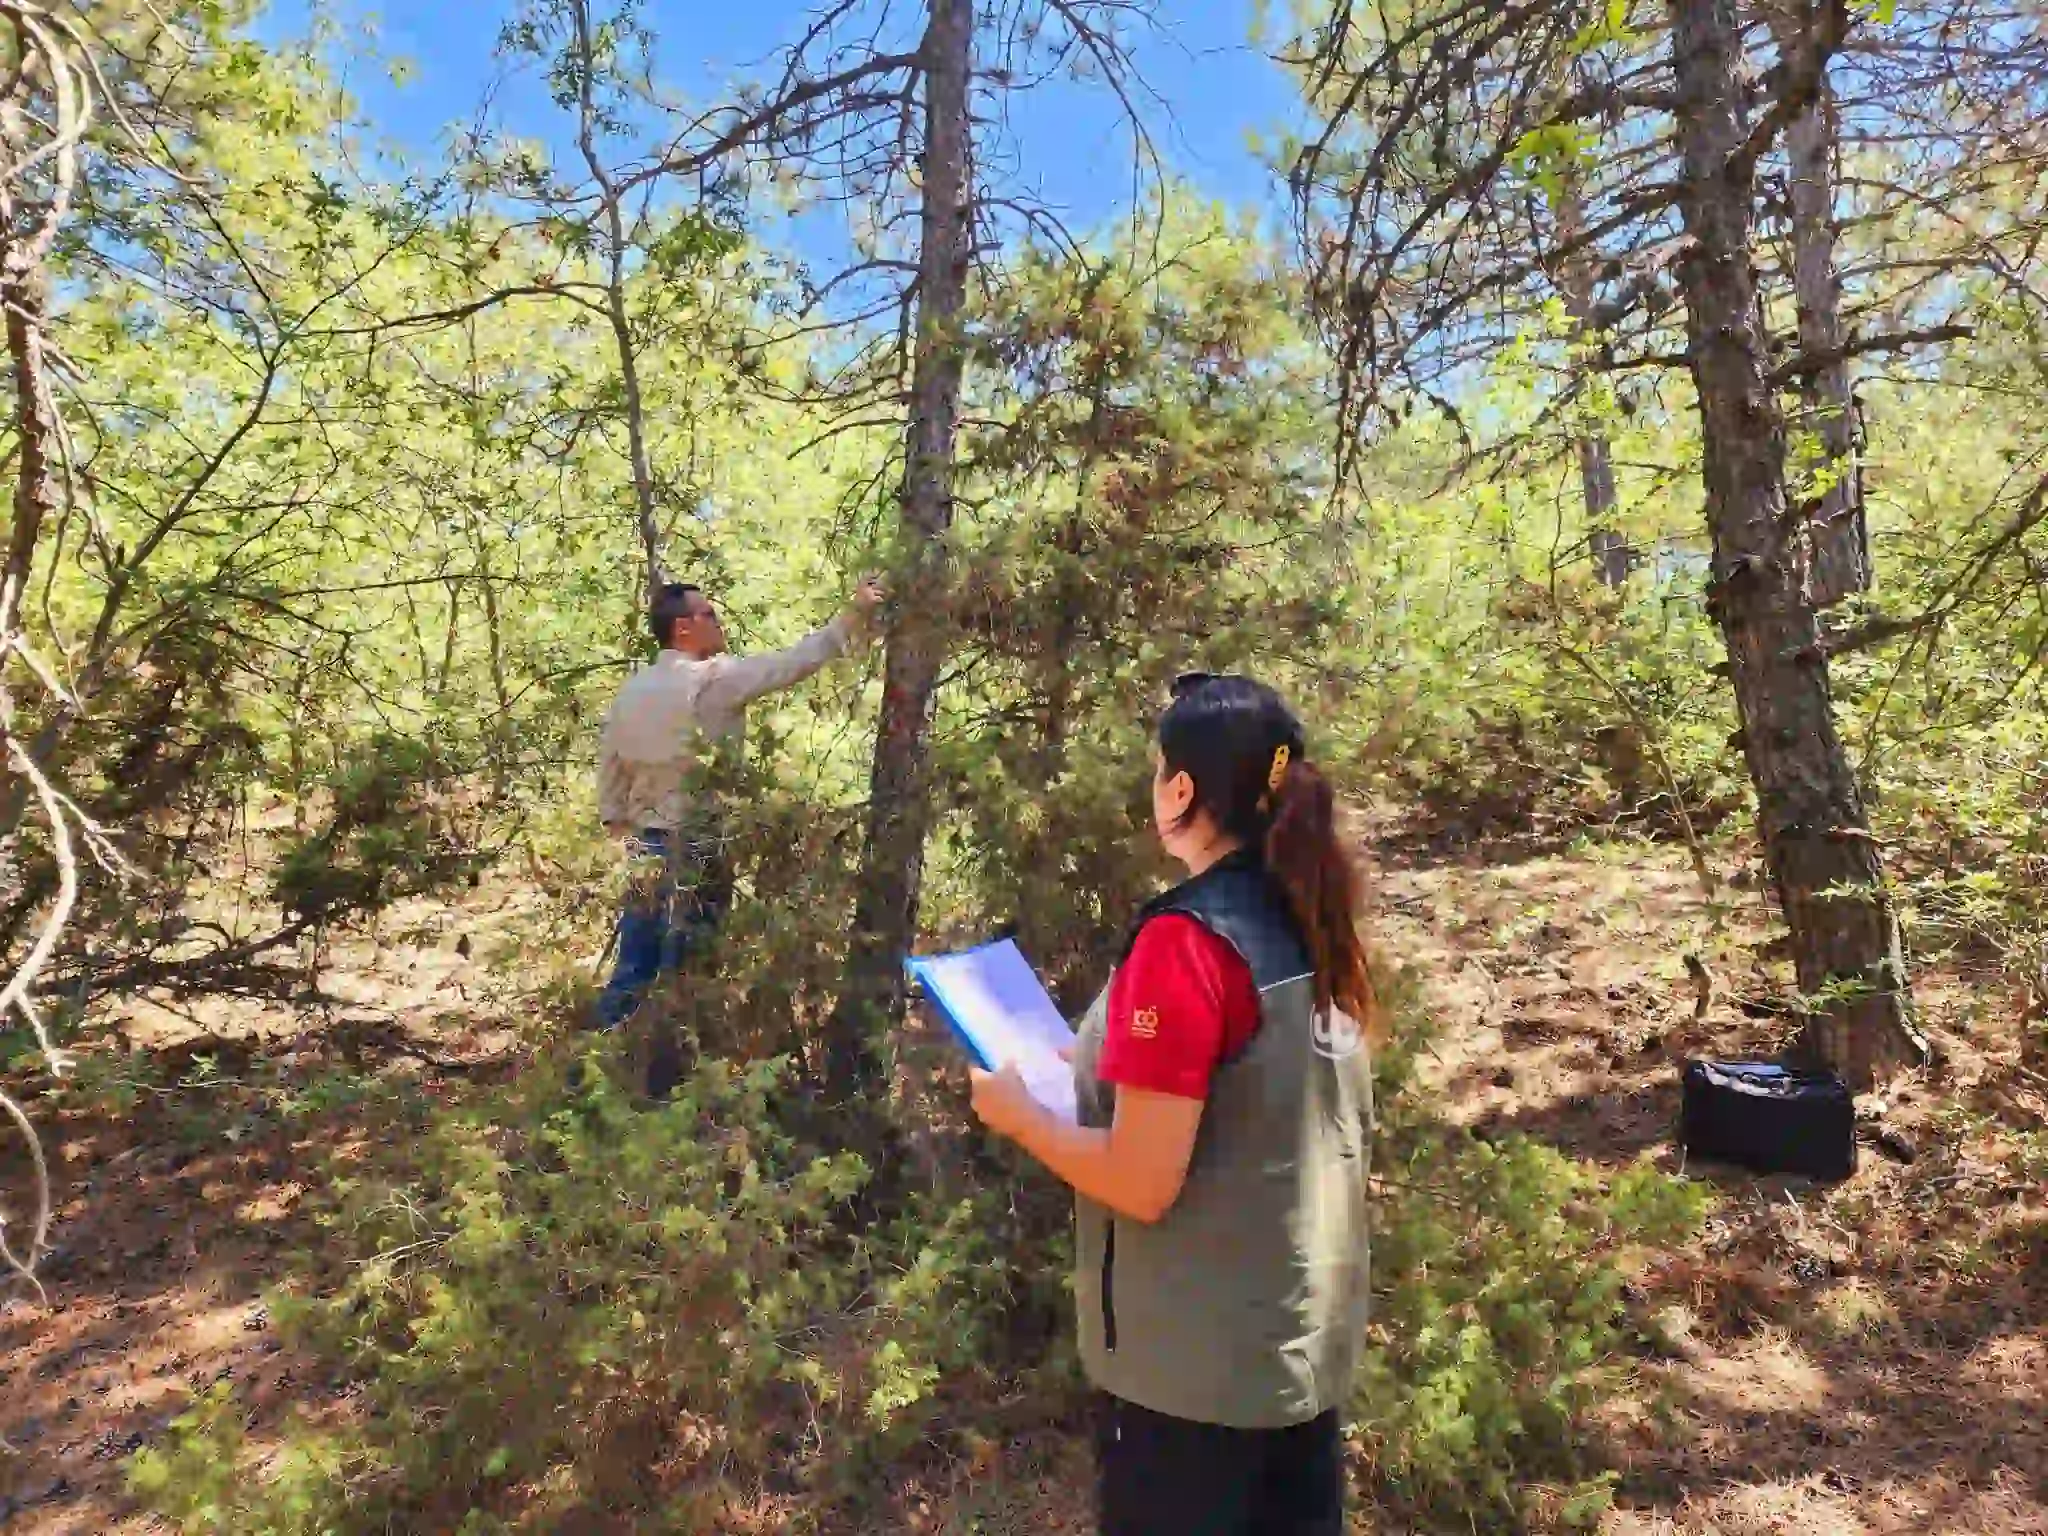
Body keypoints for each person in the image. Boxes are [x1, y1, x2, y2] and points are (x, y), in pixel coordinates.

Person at [968, 673, 1381, 1536]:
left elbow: (1144, 1180)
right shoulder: (1304, 909)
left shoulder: (1187, 940)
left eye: (1159, 768)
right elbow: (1240, 1081)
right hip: (1295, 1358)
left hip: (1191, 1382)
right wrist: (1078, 1058)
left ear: (1182, 788)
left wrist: (1022, 1119)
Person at [593, 575, 882, 1094]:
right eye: (710, 615)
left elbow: (610, 762)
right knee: (689, 967)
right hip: (698, 843)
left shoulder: (633, 689)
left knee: (635, 965)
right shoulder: (712, 680)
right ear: (684, 628)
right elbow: (794, 661)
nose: (719, 622)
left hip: (645, 843)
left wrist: (619, 820)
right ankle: (671, 1091)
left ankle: (591, 1077)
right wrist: (853, 614)